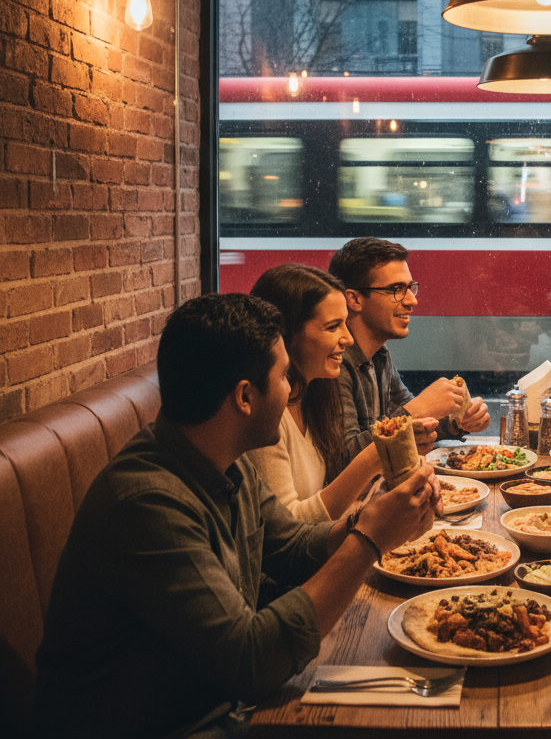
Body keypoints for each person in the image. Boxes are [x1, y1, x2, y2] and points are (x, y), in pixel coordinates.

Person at [33, 293, 440, 739]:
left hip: (216, 706)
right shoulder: (147, 505)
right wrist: (368, 540)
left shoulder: (223, 458)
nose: (292, 390)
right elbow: (250, 663)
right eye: (284, 376)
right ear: (245, 396)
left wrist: (369, 518)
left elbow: (289, 546)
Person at [248, 263, 440, 521]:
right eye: (332, 327)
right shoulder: (267, 415)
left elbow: (327, 497)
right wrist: (376, 455)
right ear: (286, 335)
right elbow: (287, 529)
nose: (348, 339)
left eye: (345, 324)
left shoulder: (314, 395)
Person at [328, 237, 490, 466]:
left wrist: (457, 422)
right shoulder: (335, 361)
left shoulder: (380, 355)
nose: (412, 301)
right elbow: (345, 457)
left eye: (410, 288)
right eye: (396, 290)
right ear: (354, 299)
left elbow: (414, 427)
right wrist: (418, 409)